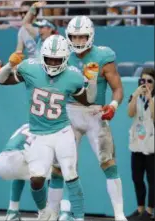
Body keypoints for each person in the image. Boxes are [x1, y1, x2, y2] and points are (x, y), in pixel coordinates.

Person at [0, 35, 95, 221]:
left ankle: (79, 217)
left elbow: (87, 101)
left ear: (65, 58)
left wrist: (93, 81)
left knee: (70, 173)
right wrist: (9, 65)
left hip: (62, 131)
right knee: (36, 179)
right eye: (49, 58)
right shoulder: (30, 68)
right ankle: (44, 211)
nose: (53, 62)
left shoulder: (73, 75)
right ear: (42, 56)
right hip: (39, 134)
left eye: (57, 59)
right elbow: (0, 80)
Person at [59, 16, 127, 221]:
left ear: (90, 36)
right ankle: (62, 211)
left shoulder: (104, 56)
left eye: (82, 36)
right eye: (74, 36)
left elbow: (118, 89)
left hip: (95, 113)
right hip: (69, 111)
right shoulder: (62, 54)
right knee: (63, 164)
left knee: (108, 162)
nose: (78, 41)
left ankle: (119, 214)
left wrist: (113, 106)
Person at [0, 123, 64, 221]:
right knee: (57, 173)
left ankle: (12, 211)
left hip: (0, 161)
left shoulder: (27, 124)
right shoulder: (49, 129)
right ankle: (48, 213)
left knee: (21, 173)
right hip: (19, 158)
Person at [128, 68, 154, 221]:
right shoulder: (136, 96)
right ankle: (140, 209)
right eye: (142, 81)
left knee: (152, 180)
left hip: (152, 145)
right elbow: (130, 113)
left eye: (149, 81)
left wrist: (150, 98)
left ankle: (149, 212)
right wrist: (136, 96)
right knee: (137, 178)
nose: (145, 84)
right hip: (137, 143)